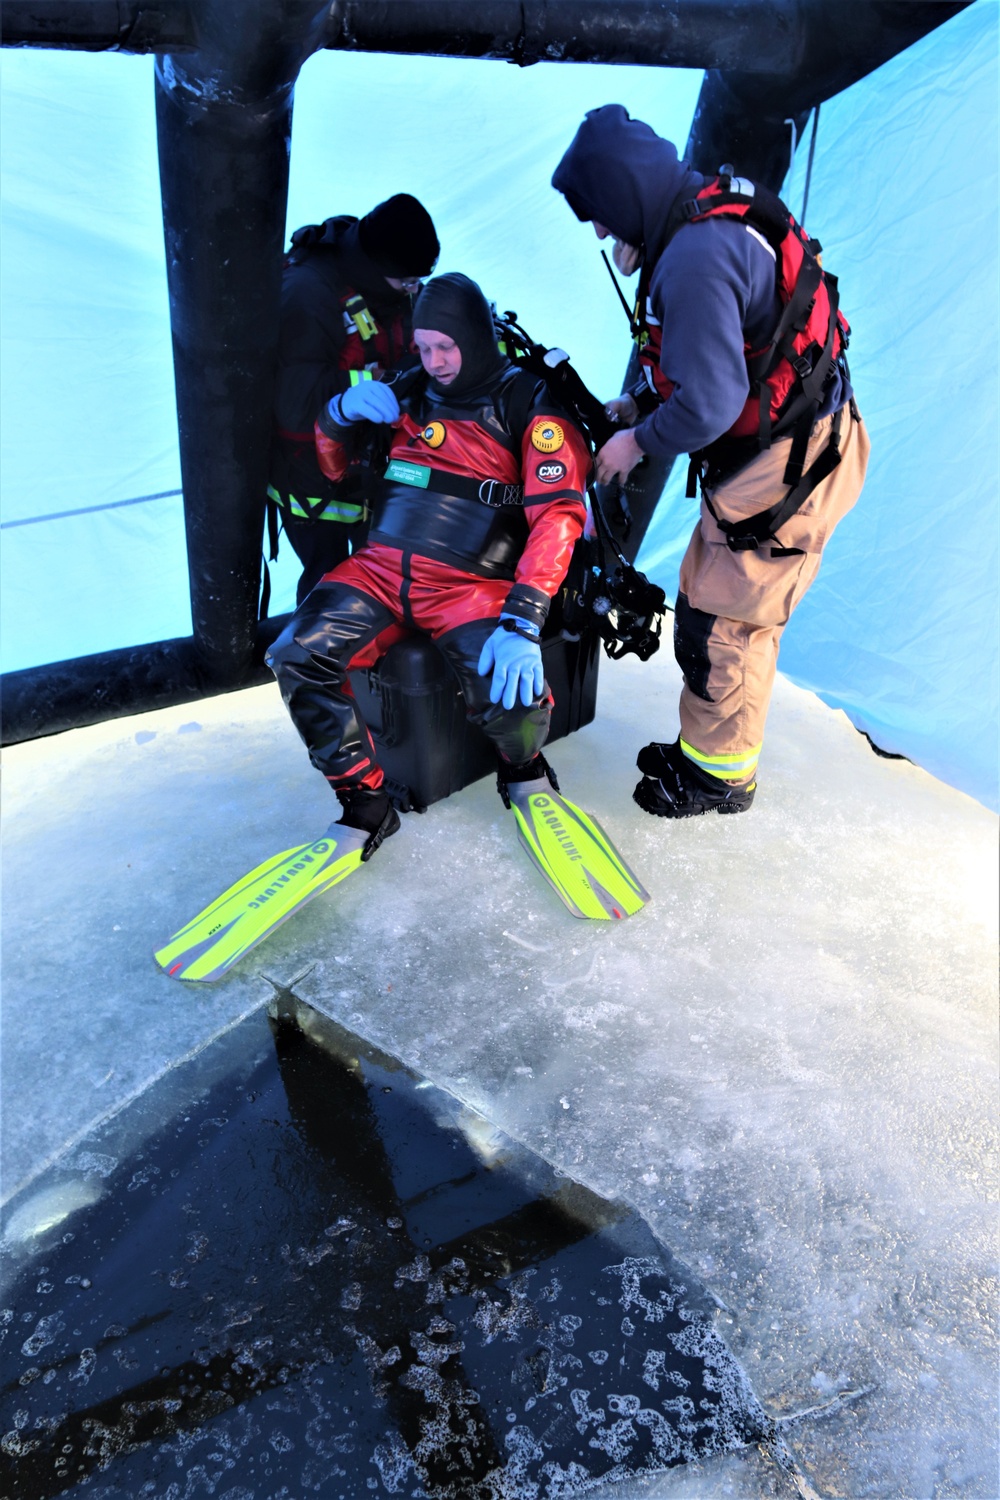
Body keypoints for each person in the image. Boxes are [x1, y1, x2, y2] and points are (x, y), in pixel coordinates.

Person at [552, 104, 870, 819]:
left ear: (624, 194)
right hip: (795, 444)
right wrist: (638, 403)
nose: (600, 232)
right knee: (714, 605)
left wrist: (636, 442)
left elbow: (712, 406)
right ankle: (710, 753)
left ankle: (718, 778)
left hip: (791, 465)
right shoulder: (698, 217)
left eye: (599, 214)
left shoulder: (692, 259)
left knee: (726, 624)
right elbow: (708, 354)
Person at [266, 272, 591, 852]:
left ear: (475, 337)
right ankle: (364, 800)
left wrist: (523, 617)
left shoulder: (528, 401)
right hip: (379, 571)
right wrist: (339, 412)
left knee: (508, 688)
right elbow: (333, 465)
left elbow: (558, 516)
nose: (435, 360)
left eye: (446, 346)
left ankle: (524, 769)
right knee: (296, 654)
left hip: (471, 584)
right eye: (423, 347)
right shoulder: (405, 390)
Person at [268, 193, 440, 603]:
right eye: (408, 282)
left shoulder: (393, 287)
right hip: (312, 485)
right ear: (380, 267)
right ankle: (312, 663)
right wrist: (357, 391)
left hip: (377, 472)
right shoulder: (307, 293)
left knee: (390, 589)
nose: (415, 290)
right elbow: (292, 403)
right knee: (328, 596)